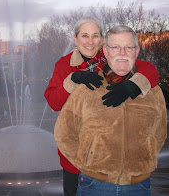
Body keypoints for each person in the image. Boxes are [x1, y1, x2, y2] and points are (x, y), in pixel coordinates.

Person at [44, 19, 159, 196]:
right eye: (84, 36)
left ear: (102, 40)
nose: (90, 41)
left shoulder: (109, 58)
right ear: (75, 39)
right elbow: (53, 102)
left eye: (95, 36)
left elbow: (150, 69)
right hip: (74, 161)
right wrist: (72, 80)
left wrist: (134, 85)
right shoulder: (64, 65)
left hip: (106, 163)